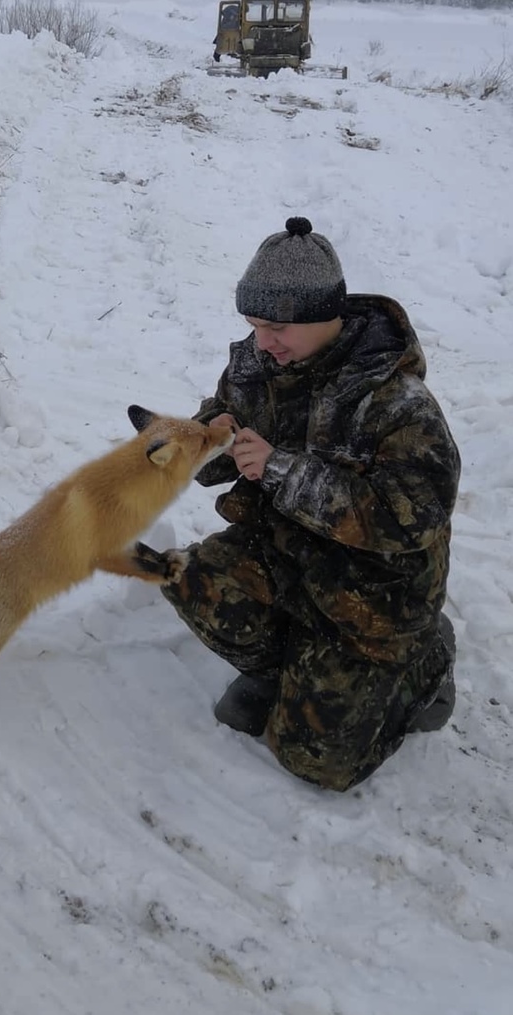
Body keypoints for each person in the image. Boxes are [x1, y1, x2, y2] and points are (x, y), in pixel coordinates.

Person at [136, 216, 461, 792]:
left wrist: (283, 471)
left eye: (278, 327)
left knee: (315, 763)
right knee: (187, 577)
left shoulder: (397, 400)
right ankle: (281, 669)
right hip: (284, 552)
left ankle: (427, 660)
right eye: (254, 324)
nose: (264, 341)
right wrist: (210, 440)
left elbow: (412, 515)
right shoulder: (258, 364)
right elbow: (216, 429)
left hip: (373, 593)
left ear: (326, 316)